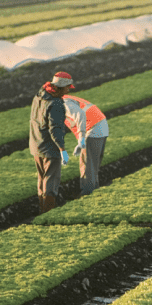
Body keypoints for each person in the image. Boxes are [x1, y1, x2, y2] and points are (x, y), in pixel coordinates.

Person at [29, 71, 72, 213]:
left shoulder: (39, 96)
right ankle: (48, 213)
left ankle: (42, 210)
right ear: (61, 87)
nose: (68, 90)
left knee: (42, 178)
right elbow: (56, 130)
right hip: (49, 148)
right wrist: (62, 149)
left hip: (36, 144)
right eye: (67, 88)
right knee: (51, 180)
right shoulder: (56, 103)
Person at [62, 89, 109, 197]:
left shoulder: (64, 103)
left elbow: (80, 117)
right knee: (92, 162)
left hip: (93, 127)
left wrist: (81, 140)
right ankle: (94, 189)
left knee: (87, 162)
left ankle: (87, 193)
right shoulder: (64, 100)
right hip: (99, 125)